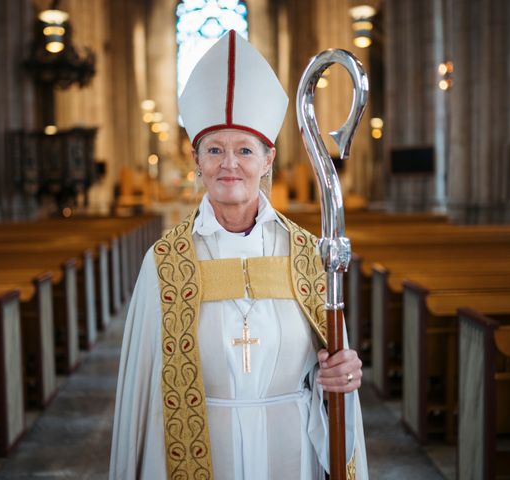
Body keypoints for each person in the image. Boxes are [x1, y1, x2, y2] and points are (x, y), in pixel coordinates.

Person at [109, 30, 368, 480]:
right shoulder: (166, 262)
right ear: (197, 160)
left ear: (268, 159)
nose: (229, 165)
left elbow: (327, 376)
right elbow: (143, 394)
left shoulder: (307, 254)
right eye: (215, 150)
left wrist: (339, 377)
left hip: (292, 449)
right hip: (198, 449)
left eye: (244, 150)